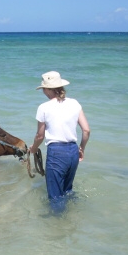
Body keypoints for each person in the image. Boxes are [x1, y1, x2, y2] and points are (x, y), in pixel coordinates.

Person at [28, 71, 90, 213]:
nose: (43, 90)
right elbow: (86, 131)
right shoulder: (74, 103)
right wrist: (82, 148)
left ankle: (57, 228)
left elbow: (39, 136)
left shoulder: (43, 107)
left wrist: (33, 150)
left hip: (56, 152)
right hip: (73, 151)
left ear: (49, 89)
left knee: (55, 196)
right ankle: (72, 221)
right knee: (67, 191)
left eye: (44, 88)